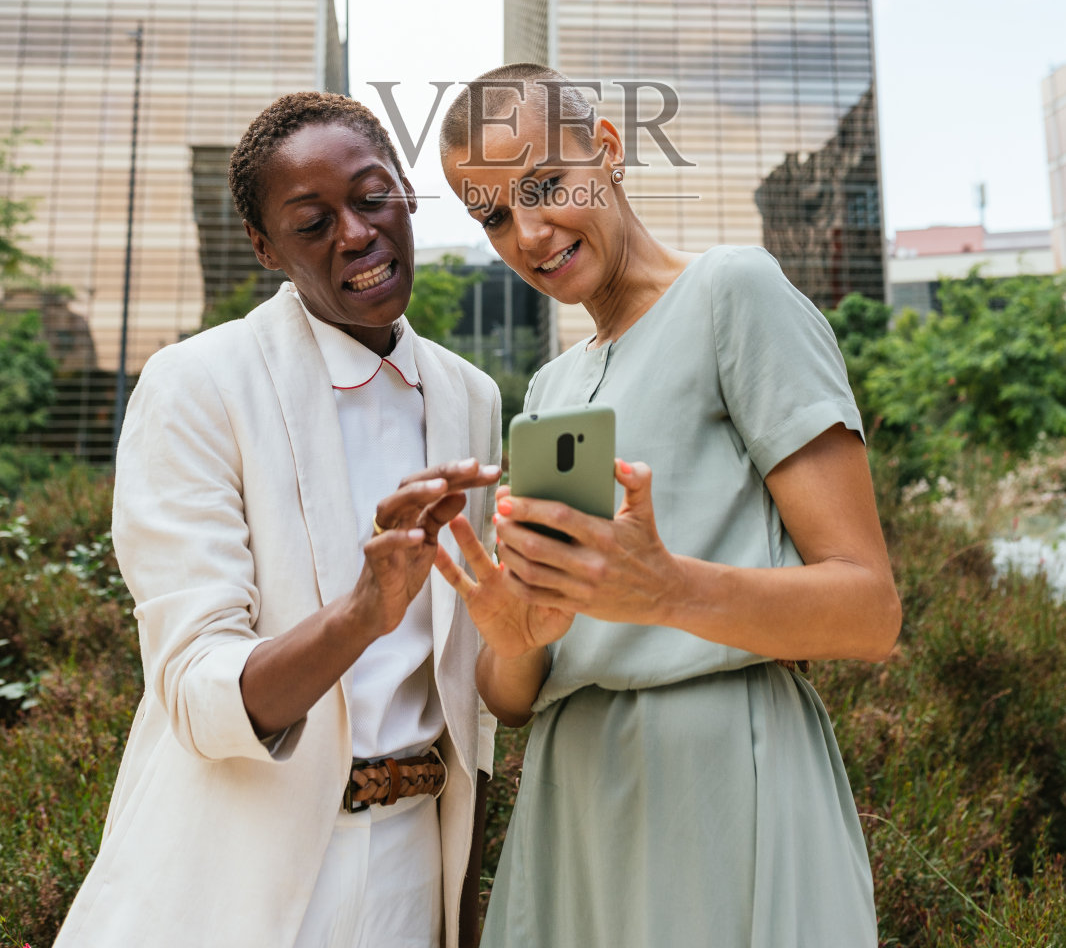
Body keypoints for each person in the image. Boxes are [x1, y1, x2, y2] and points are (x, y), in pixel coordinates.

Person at [435, 64, 902, 948]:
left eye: (544, 185)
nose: (529, 233)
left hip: (726, 787)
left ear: (607, 151)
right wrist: (513, 635)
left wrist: (669, 592)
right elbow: (514, 695)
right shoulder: (548, 390)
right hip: (573, 809)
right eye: (492, 214)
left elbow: (870, 612)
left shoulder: (735, 292)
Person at [54, 92, 501, 948]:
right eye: (311, 221)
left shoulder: (470, 397)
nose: (357, 233)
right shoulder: (196, 386)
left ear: (405, 192)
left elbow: (468, 683)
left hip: (416, 867)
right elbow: (195, 689)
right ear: (264, 248)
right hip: (236, 871)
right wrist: (363, 614)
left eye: (371, 198)